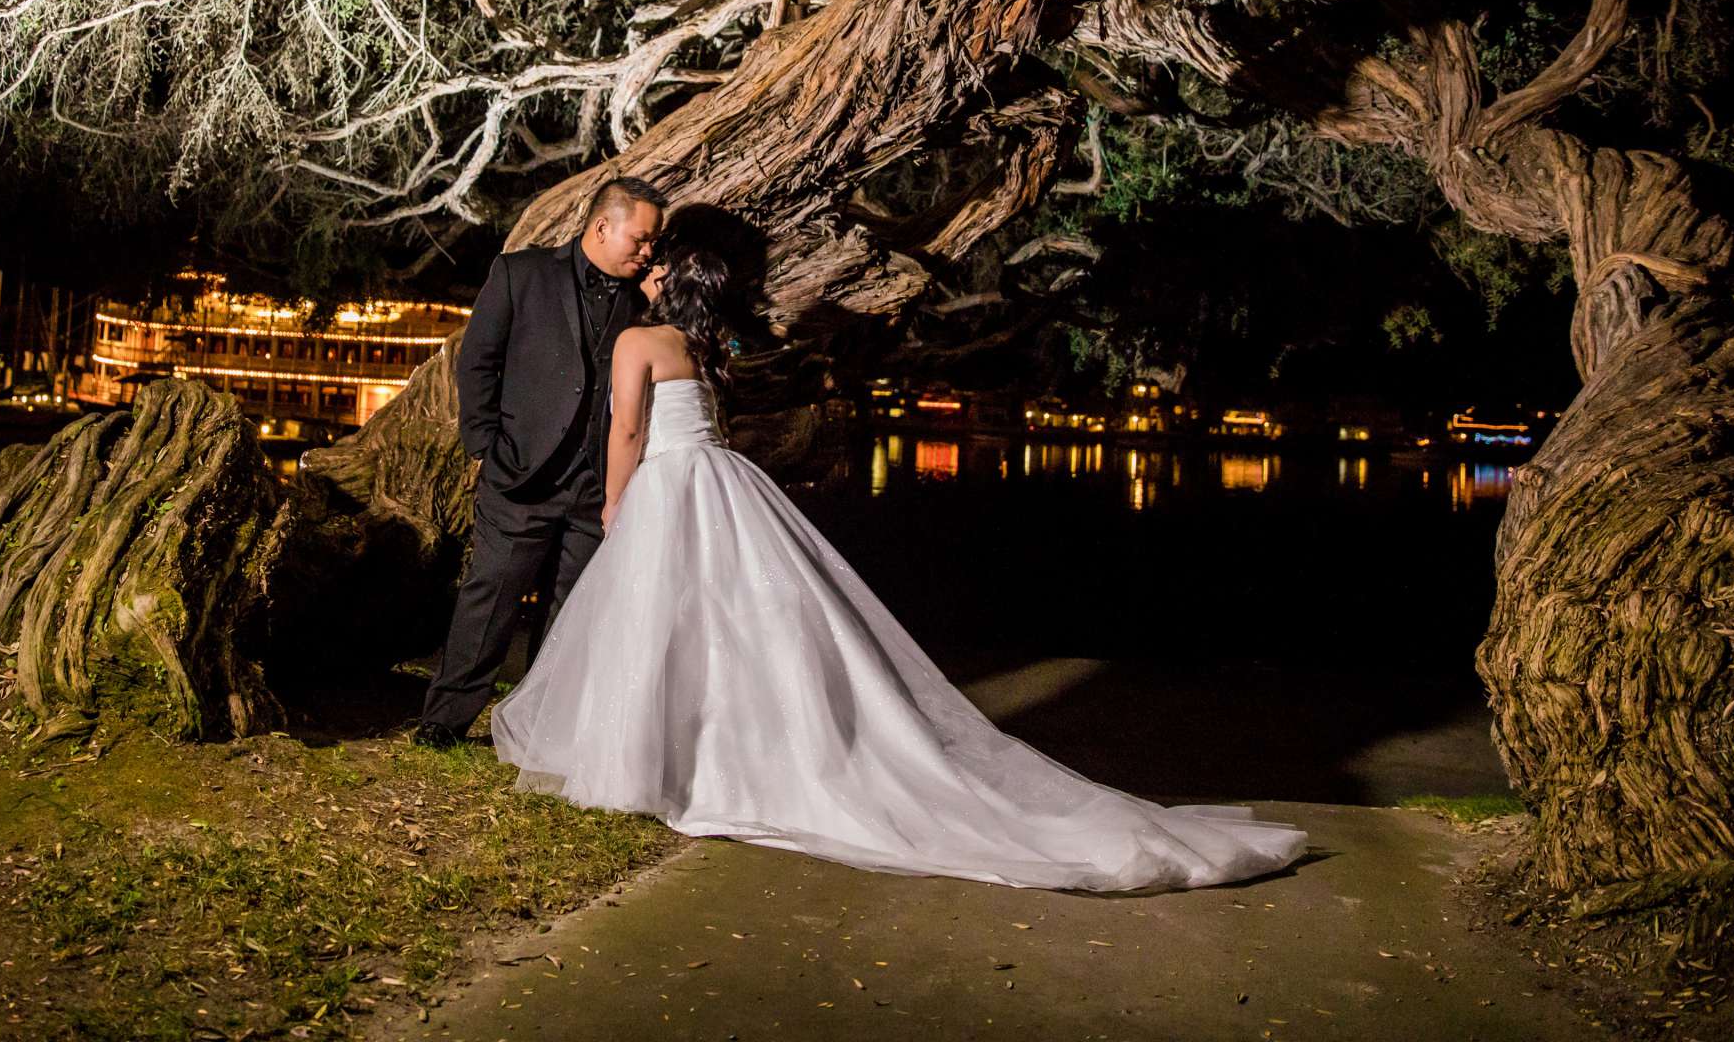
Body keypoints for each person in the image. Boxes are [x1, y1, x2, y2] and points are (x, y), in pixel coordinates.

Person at [489, 221, 1311, 892]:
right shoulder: (706, 352)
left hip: (671, 483)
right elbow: (711, 425)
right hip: (721, 480)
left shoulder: (640, 339)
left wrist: (616, 499)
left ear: (671, 282)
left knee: (670, 622)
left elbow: (625, 430)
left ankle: (657, 759)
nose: (651, 270)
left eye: (660, 265)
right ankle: (705, 750)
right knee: (733, 625)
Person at [410, 175, 667, 748]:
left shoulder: (647, 300)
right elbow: (476, 362)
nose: (650, 251)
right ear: (604, 226)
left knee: (569, 613)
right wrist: (484, 447)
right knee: (491, 596)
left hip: (600, 486)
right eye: (643, 239)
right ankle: (444, 720)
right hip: (519, 474)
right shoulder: (519, 273)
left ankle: (538, 729)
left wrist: (662, 303)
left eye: (654, 242)